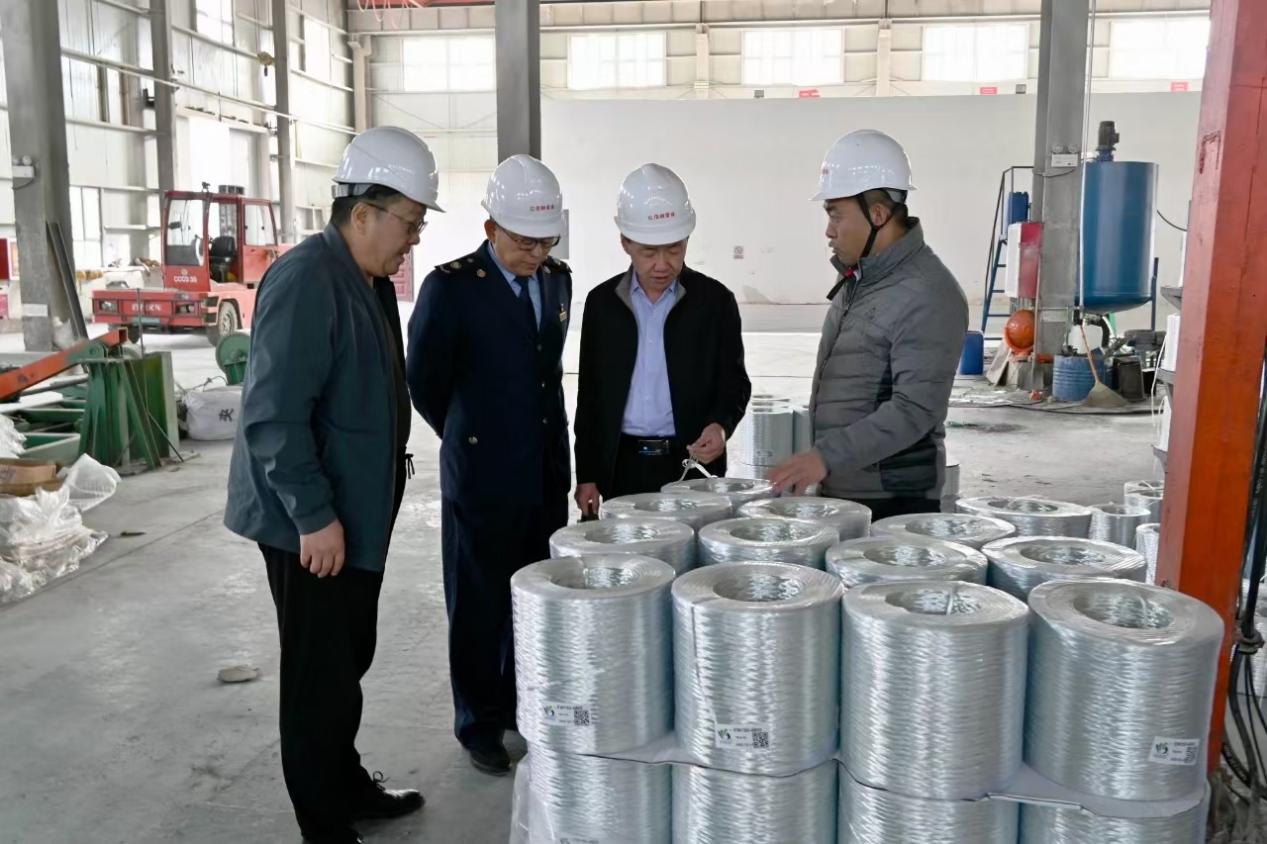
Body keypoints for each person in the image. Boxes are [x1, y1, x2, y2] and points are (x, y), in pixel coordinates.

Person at [224, 126, 436, 844]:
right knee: (318, 676)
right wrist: (314, 516)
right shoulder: (306, 279)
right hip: (308, 525)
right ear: (364, 211)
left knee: (346, 661)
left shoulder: (365, 280)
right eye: (409, 222)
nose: (413, 239)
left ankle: (344, 785)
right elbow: (274, 415)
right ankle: (324, 823)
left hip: (351, 516)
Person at [406, 154, 572, 776]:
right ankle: (478, 723)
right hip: (480, 474)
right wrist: (468, 436)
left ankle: (518, 705)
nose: (536, 253)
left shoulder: (557, 281)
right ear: (490, 230)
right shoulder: (452, 288)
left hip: (543, 471)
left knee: (532, 599)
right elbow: (425, 382)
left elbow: (546, 375)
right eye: (524, 242)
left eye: (545, 241)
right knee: (478, 603)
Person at [769, 130, 968, 520]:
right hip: (848, 488)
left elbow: (915, 408)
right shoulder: (860, 277)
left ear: (877, 215)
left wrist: (825, 456)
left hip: (893, 501)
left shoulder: (928, 293)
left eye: (835, 214)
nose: (829, 230)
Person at [573, 164, 750, 513]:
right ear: (625, 242)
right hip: (622, 467)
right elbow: (591, 396)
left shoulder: (714, 302)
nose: (662, 265)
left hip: (691, 466)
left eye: (674, 249)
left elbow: (734, 382)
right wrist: (588, 473)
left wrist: (720, 426)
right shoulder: (602, 304)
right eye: (649, 252)